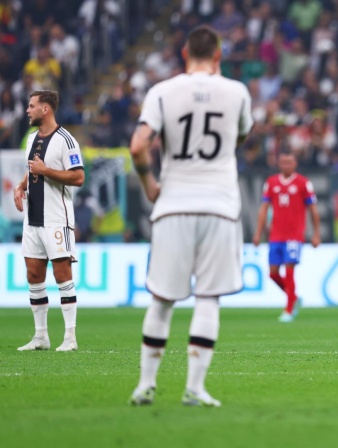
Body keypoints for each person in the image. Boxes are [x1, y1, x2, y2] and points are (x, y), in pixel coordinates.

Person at [128, 26, 253, 407]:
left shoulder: (162, 92)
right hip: (219, 205)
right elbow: (240, 138)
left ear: (185, 54)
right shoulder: (237, 92)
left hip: (173, 204)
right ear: (217, 56)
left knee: (162, 299)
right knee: (208, 297)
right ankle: (194, 389)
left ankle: (145, 384)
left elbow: (138, 147)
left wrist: (150, 182)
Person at [13, 90, 84, 352]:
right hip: (33, 219)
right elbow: (32, 169)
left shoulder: (67, 141)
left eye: (32, 106)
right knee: (33, 274)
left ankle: (70, 338)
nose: (28, 110)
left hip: (56, 218)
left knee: (62, 275)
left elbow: (77, 178)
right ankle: (41, 336)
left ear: (46, 109)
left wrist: (46, 171)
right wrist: (21, 186)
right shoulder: (31, 138)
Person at [252, 152, 321, 323]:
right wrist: (258, 233)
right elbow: (264, 209)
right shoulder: (271, 182)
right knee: (273, 274)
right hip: (276, 234)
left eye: (289, 162)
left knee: (289, 272)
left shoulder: (303, 183)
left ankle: (289, 309)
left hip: (294, 235)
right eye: (283, 162)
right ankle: (294, 298)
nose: (285, 165)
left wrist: (316, 234)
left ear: (295, 164)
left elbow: (313, 210)